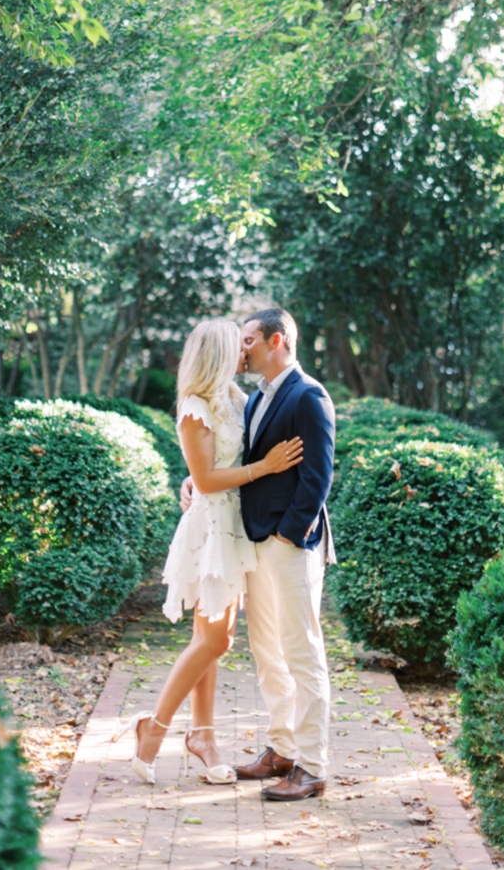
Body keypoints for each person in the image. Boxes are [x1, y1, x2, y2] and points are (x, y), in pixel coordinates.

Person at [117, 318, 304, 784]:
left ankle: (203, 735)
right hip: (211, 530)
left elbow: (218, 462)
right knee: (214, 639)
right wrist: (261, 468)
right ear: (219, 354)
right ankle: (153, 731)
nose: (246, 351)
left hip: (235, 527)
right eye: (238, 346)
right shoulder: (194, 406)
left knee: (211, 639)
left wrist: (211, 475)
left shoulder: (238, 399)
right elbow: (204, 479)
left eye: (248, 344)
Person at [177, 306, 337, 800]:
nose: (241, 348)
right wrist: (193, 481)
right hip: (254, 544)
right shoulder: (254, 400)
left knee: (302, 652)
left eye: (249, 339)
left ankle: (311, 766)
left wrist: (289, 534)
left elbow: (318, 477)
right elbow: (237, 460)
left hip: (290, 545)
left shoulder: (308, 395)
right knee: (268, 653)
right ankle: (281, 749)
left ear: (276, 341)